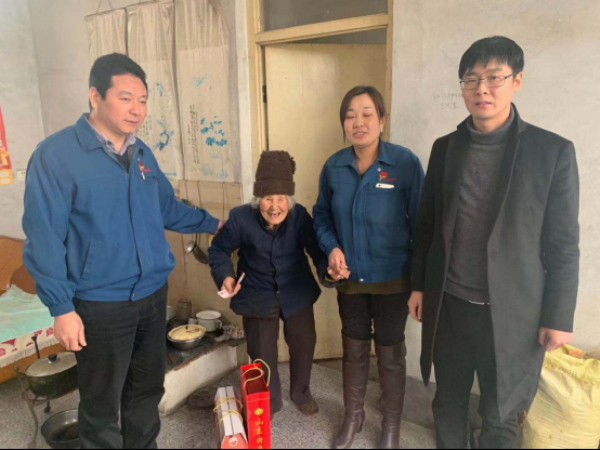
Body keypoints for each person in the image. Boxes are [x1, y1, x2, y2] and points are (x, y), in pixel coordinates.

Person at [23, 53, 223, 449]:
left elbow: (167, 209)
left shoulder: (141, 154)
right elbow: (44, 238)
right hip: (100, 303)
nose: (137, 110)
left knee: (146, 392)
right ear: (95, 96)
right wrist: (61, 308)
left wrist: (215, 224)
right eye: (126, 98)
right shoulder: (56, 156)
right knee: (101, 404)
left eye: (143, 100)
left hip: (151, 296)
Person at [408, 36, 580, 449]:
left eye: (494, 77)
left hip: (514, 313)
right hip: (450, 304)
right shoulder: (445, 148)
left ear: (516, 81)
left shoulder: (551, 152)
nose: (481, 89)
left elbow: (563, 242)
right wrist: (419, 286)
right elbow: (427, 225)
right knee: (448, 401)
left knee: (501, 413)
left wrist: (558, 315)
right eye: (471, 79)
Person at [313, 86, 425, 450]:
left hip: (393, 280)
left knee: (391, 356)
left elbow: (422, 224)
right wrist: (332, 248)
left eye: (366, 114)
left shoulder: (404, 164)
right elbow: (321, 216)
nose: (358, 122)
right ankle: (353, 416)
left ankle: (390, 426)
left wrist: (420, 283)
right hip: (351, 282)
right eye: (350, 116)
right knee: (354, 350)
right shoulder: (334, 167)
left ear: (382, 120)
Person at [209, 151, 332, 418]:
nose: (274, 206)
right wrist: (226, 276)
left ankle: (301, 392)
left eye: (281, 198)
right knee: (262, 352)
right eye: (267, 198)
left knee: (303, 344)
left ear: (289, 200)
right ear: (257, 200)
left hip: (296, 291)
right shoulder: (240, 218)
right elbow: (218, 250)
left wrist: (329, 270)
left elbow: (317, 250)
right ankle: (270, 401)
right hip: (257, 293)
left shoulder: (299, 217)